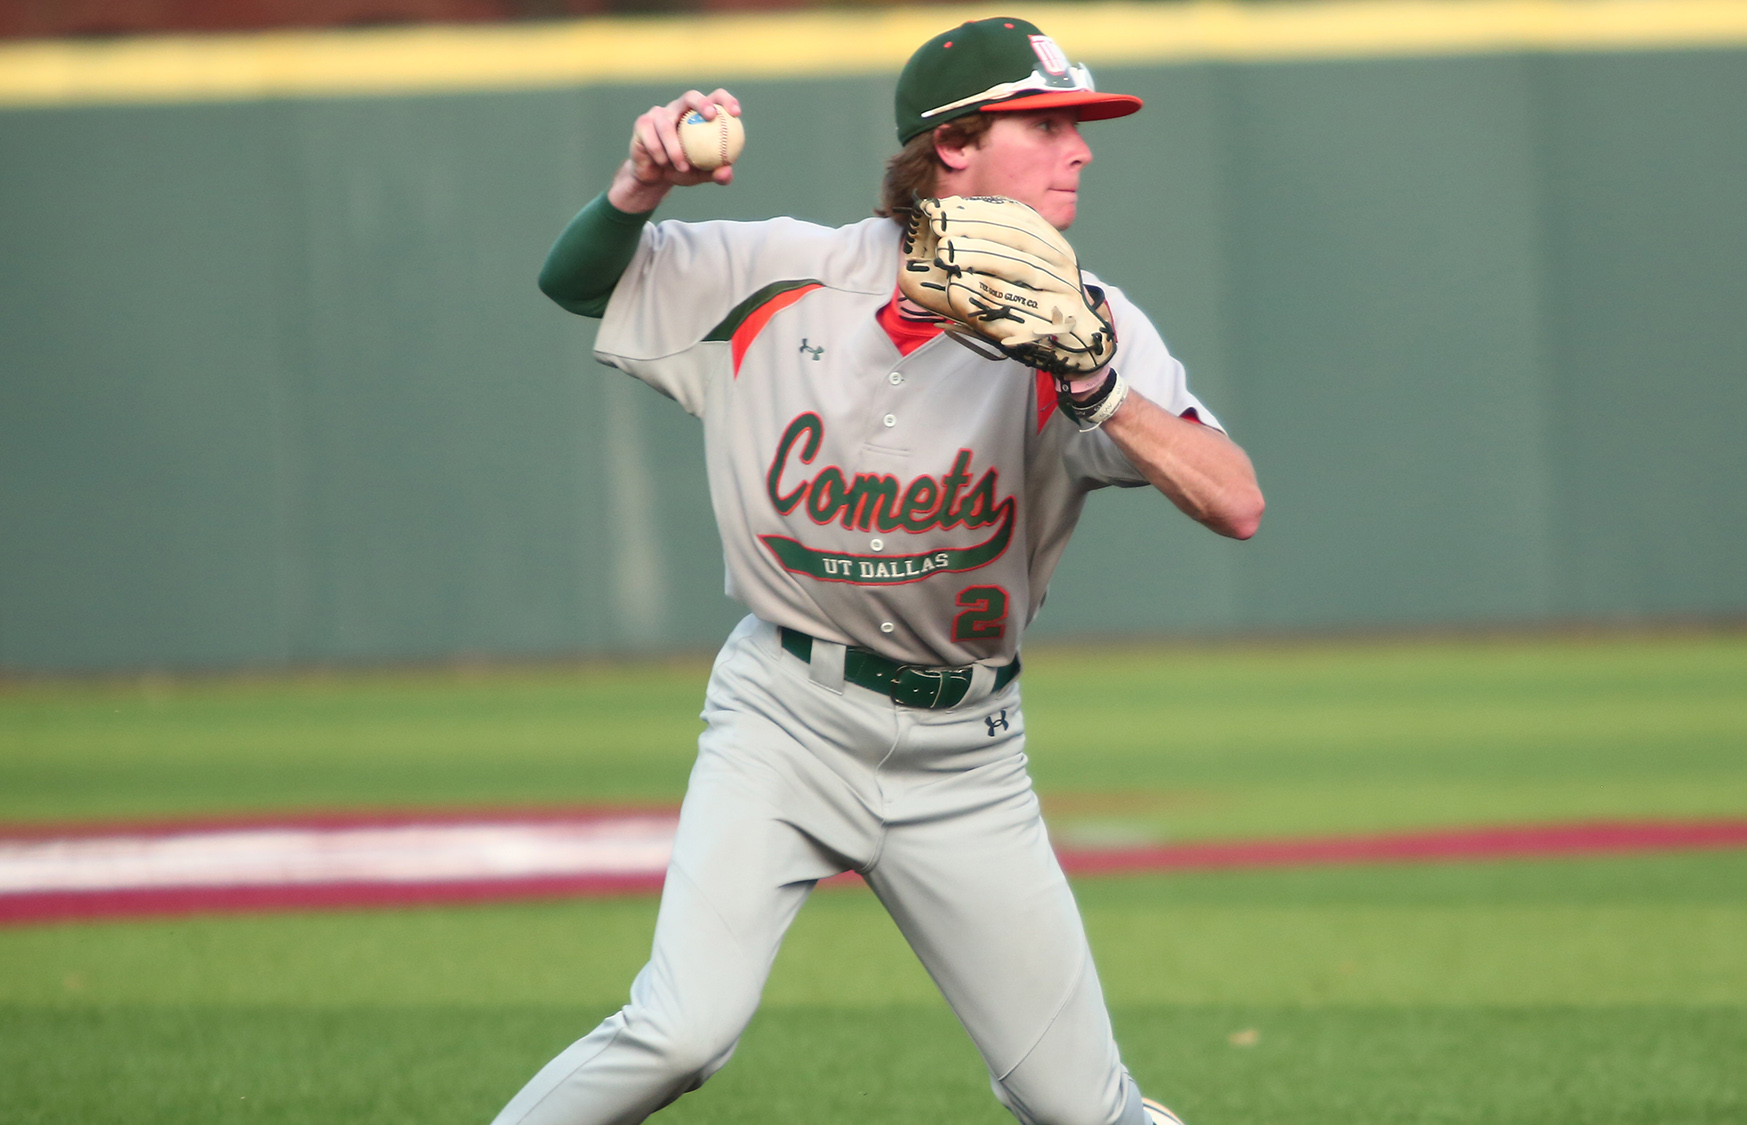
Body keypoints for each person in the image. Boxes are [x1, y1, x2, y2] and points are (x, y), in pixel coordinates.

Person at [494, 16, 1263, 1125]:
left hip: (967, 756)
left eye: (1078, 128)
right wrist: (634, 188)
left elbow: (1233, 498)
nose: (1079, 151)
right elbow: (576, 286)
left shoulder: (1089, 326)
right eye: (1046, 125)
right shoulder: (781, 275)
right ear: (953, 145)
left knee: (1083, 1110)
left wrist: (1100, 389)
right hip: (785, 713)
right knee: (678, 1031)